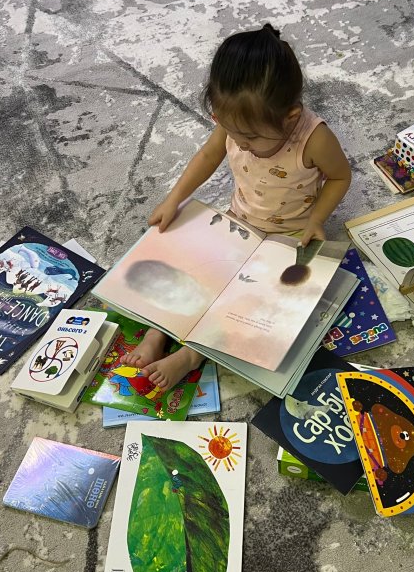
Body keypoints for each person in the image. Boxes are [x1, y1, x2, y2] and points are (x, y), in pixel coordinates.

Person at [121, 23, 352, 390]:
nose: (240, 144)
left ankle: (193, 354)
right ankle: (157, 333)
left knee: (252, 302)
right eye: (231, 131)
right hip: (239, 221)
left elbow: (340, 177)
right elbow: (208, 155)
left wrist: (317, 219)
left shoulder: (315, 139)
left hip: (290, 235)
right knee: (196, 274)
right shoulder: (236, 122)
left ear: (290, 117)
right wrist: (173, 199)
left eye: (251, 137)